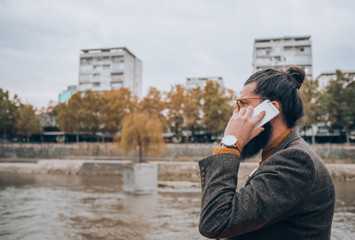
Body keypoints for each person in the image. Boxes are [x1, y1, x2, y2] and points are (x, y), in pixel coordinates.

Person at [198, 66, 335, 240]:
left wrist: (229, 144)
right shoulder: (280, 153)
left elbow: (215, 222)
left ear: (272, 109)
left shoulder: (296, 160)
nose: (236, 115)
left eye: (244, 104)